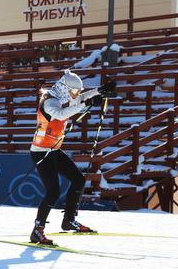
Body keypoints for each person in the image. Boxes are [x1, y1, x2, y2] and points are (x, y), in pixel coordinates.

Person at [29, 70, 115, 245]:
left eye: (75, 92)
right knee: (53, 191)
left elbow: (81, 98)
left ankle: (68, 220)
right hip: (40, 152)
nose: (75, 95)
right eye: (73, 91)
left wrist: (100, 90)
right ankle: (37, 231)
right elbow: (61, 114)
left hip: (53, 150)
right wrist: (86, 103)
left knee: (78, 180)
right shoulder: (49, 101)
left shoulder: (63, 95)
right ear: (64, 88)